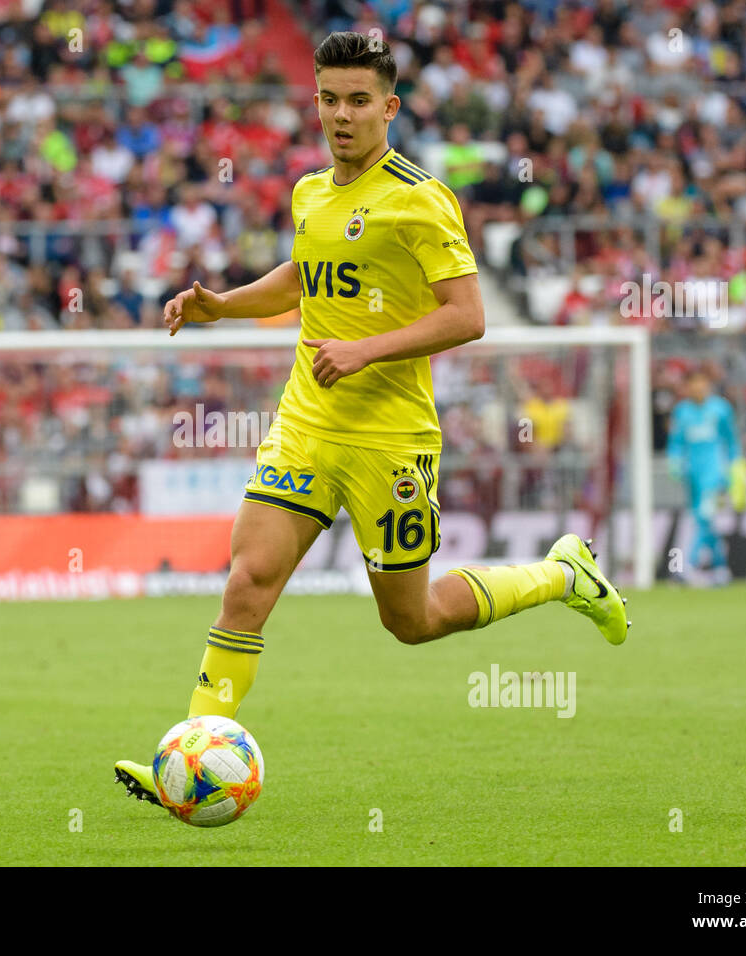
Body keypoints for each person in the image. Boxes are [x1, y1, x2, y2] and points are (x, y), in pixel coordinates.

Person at [115, 32, 629, 809]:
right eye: (329, 99)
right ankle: (187, 756)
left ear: (389, 108)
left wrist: (368, 350)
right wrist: (224, 303)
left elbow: (468, 315)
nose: (342, 115)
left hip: (391, 440)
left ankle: (563, 574)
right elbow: (303, 276)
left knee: (412, 621)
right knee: (247, 580)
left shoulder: (420, 198)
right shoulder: (310, 192)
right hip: (306, 425)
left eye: (359, 101)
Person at [667, 369, 745, 586]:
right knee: (706, 521)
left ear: (708, 385)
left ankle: (688, 566)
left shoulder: (720, 409)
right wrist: (674, 460)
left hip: (715, 473)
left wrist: (734, 465)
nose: (698, 387)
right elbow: (676, 441)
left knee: (704, 516)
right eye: (694, 383)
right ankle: (720, 568)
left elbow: (731, 440)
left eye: (702, 383)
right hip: (691, 474)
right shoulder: (682, 412)